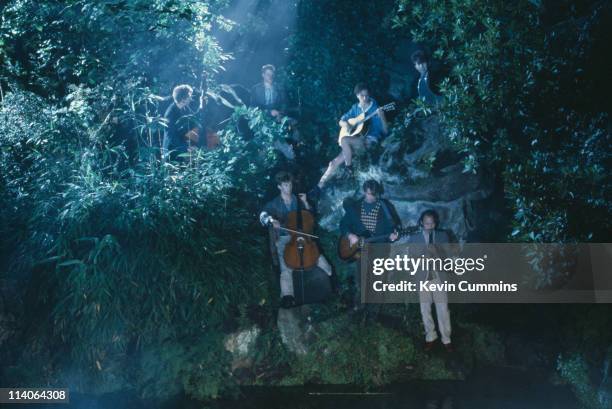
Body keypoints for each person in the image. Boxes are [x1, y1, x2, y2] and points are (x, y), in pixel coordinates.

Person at [259, 171, 332, 307]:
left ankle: (330, 277)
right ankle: (288, 296)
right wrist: (270, 219)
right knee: (285, 266)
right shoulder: (274, 203)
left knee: (317, 257)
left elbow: (311, 216)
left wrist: (305, 203)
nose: (289, 188)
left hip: (304, 236)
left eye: (290, 184)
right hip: (285, 238)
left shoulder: (298, 199)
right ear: (279, 187)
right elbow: (262, 215)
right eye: (286, 185)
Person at [339, 180, 401, 308]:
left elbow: (394, 226)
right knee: (362, 278)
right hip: (360, 248)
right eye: (368, 194)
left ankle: (374, 312)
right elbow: (343, 224)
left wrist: (394, 235)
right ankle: (359, 308)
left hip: (380, 247)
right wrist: (350, 235)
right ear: (364, 192)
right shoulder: (355, 206)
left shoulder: (385, 206)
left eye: (373, 194)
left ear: (377, 193)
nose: (370, 197)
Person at [318, 83, 388, 188]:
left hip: (368, 141)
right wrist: (347, 125)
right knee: (333, 163)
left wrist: (382, 116)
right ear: (357, 96)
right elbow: (341, 121)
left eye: (366, 95)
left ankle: (349, 170)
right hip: (355, 140)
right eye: (362, 95)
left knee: (344, 140)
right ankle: (319, 186)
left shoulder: (375, 108)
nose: (365, 98)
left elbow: (385, 131)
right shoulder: (355, 108)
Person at [406, 209, 453, 352]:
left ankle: (446, 338)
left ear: (435, 223)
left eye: (432, 223)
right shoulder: (414, 238)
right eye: (427, 223)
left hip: (439, 276)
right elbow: (410, 259)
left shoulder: (443, 236)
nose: (430, 226)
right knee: (425, 309)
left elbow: (449, 256)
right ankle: (430, 337)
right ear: (421, 223)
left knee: (443, 309)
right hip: (423, 277)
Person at [250, 64, 296, 160]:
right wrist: (268, 112)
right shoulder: (256, 89)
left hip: (278, 117)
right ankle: (265, 158)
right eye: (268, 74)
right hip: (262, 118)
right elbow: (253, 108)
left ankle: (290, 153)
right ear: (263, 75)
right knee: (265, 140)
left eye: (272, 74)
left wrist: (280, 114)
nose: (270, 77)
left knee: (293, 124)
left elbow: (285, 103)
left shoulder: (279, 88)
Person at [161, 84, 206, 161]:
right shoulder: (170, 114)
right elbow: (171, 137)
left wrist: (202, 105)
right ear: (183, 99)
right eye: (189, 96)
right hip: (172, 153)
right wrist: (186, 148)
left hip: (182, 149)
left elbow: (193, 119)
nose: (191, 98)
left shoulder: (184, 107)